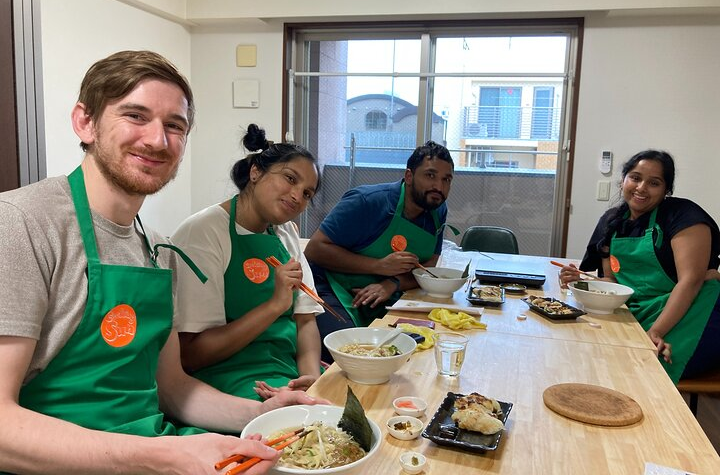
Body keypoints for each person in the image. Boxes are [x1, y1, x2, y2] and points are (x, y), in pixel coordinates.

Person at [0, 51, 325, 475]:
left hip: (150, 445)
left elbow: (173, 388)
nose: (158, 140)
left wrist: (261, 414)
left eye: (175, 126)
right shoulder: (22, 222)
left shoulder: (157, 249)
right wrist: (163, 457)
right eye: (135, 116)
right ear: (85, 122)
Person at [172, 124, 323, 402]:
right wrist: (275, 305)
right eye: (290, 179)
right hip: (223, 380)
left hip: (285, 371)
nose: (297, 196)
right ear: (255, 172)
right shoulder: (203, 233)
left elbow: (305, 320)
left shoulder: (285, 232)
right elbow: (192, 355)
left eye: (307, 194)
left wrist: (310, 381)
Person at [562, 149, 720, 384]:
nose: (641, 188)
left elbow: (691, 281)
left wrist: (656, 332)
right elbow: (614, 283)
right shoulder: (611, 221)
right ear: (623, 180)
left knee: (640, 368)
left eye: (654, 183)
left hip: (695, 313)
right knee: (593, 354)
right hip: (641, 309)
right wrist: (580, 281)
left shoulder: (684, 216)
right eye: (635, 178)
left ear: (666, 190)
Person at [304, 141, 455, 363]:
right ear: (409, 176)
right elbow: (314, 250)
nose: (439, 187)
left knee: (414, 348)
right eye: (430, 176)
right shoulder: (367, 202)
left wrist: (392, 283)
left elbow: (431, 263)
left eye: (446, 179)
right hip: (329, 286)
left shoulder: (437, 209)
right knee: (348, 353)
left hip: (380, 292)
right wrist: (378, 266)